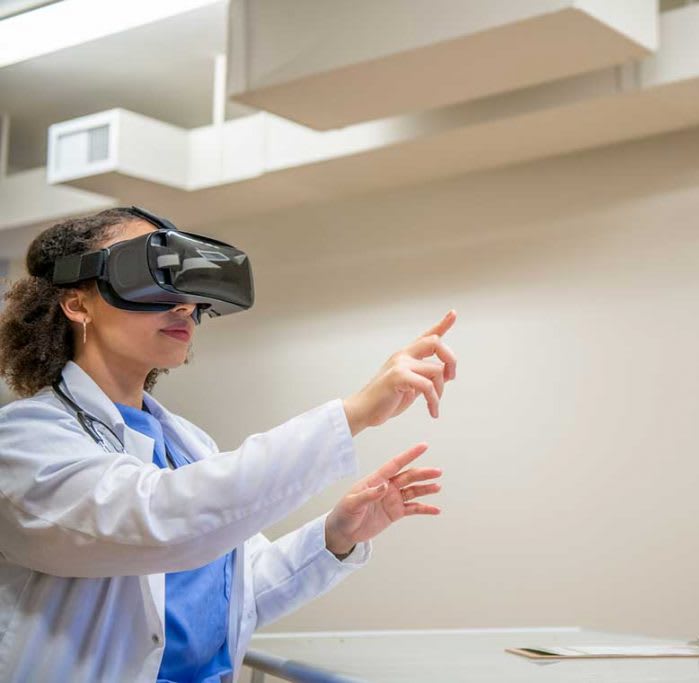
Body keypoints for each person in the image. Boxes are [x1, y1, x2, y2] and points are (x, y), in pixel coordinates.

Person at [0, 206, 458, 682]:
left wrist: (336, 535)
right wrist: (356, 412)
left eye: (185, 283)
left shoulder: (188, 443)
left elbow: (234, 595)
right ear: (77, 304)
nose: (184, 305)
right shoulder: (25, 440)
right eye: (153, 277)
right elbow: (160, 522)